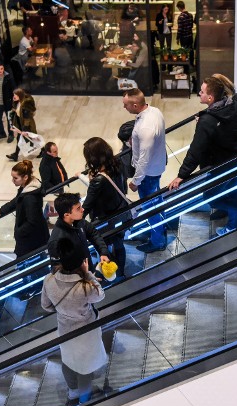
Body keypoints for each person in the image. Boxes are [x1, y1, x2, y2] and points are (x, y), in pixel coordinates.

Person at [168, 75, 237, 235]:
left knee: (210, 196)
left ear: (211, 97)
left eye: (202, 91)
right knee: (234, 189)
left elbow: (196, 150)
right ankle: (233, 224)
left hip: (222, 164)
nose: (199, 93)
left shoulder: (208, 121)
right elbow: (225, 126)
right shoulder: (233, 102)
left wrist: (181, 175)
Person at [41, 238, 108, 405]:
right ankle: (84, 402)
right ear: (81, 264)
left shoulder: (49, 280)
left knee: (69, 360)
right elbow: (100, 295)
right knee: (84, 369)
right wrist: (88, 274)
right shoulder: (84, 287)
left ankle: (73, 393)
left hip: (65, 329)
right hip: (86, 331)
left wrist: (64, 310)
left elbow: (46, 306)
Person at [122, 88, 167, 253]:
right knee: (156, 201)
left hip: (148, 174)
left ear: (135, 105)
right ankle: (159, 232)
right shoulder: (155, 111)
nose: (124, 108)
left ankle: (157, 241)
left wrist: (136, 181)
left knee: (151, 207)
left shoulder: (145, 128)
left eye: (126, 105)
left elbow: (144, 159)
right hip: (157, 166)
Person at [79, 137, 128, 280]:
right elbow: (122, 187)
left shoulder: (98, 180)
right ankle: (120, 273)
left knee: (103, 249)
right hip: (120, 213)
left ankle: (109, 274)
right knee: (119, 244)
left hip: (104, 220)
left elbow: (87, 205)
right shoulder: (117, 163)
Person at [0, 160, 50, 258]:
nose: (13, 180)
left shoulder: (30, 198)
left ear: (25, 177)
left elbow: (32, 222)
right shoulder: (27, 188)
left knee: (29, 264)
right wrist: (2, 210)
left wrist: (18, 232)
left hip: (31, 241)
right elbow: (17, 200)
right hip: (34, 238)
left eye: (15, 178)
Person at [48, 193, 110, 273]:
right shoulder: (56, 240)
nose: (82, 209)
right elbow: (58, 270)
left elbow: (93, 233)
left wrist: (103, 252)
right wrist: (84, 279)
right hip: (77, 282)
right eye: (78, 208)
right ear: (67, 215)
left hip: (89, 273)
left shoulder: (79, 222)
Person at [7, 88, 37, 160]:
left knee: (34, 138)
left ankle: (43, 151)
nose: (14, 96)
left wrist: (24, 129)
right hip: (20, 123)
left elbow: (27, 118)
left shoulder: (25, 105)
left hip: (27, 125)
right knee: (19, 139)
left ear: (20, 95)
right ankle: (15, 155)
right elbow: (17, 111)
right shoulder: (18, 102)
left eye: (15, 95)